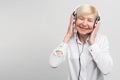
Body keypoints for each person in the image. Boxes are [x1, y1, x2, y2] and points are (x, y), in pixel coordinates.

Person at [49, 4, 113, 80]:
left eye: (89, 20)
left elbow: (107, 69)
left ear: (95, 24)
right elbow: (53, 63)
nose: (84, 24)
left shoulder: (101, 40)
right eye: (81, 18)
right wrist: (67, 36)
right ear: (74, 20)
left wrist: (92, 43)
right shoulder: (69, 40)